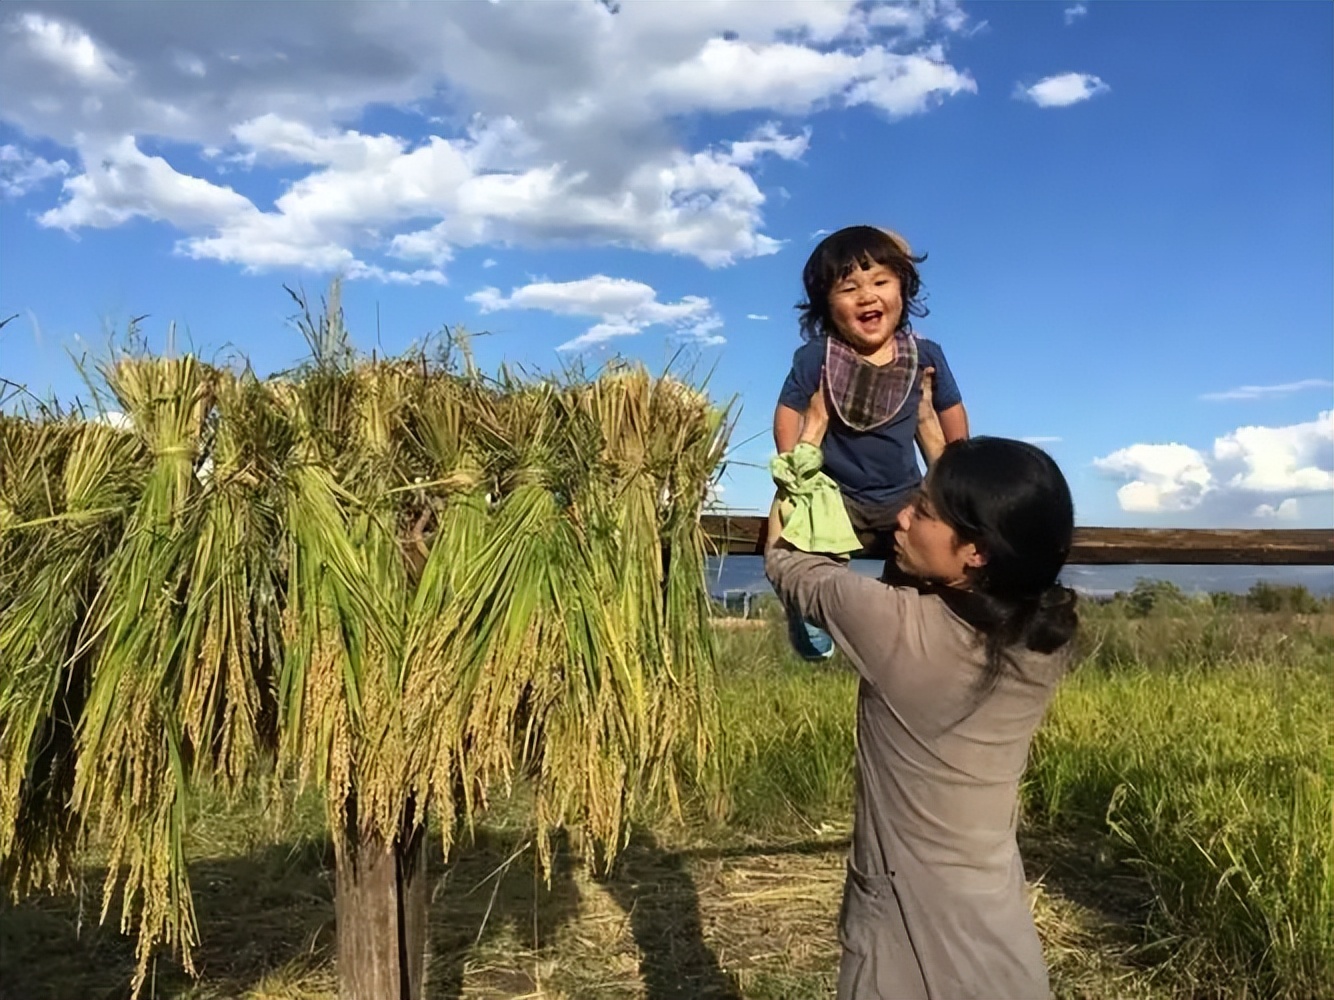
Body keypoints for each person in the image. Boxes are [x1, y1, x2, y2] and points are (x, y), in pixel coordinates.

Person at [764, 382, 1077, 1000]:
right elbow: (973, 556)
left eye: (924, 510)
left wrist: (809, 440)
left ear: (978, 552)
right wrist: (937, 436)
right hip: (996, 933)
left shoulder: (895, 629)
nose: (903, 515)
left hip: (905, 929)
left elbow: (786, 559)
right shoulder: (1046, 635)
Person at [774, 225, 969, 660]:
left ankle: (906, 621)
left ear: (903, 290)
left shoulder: (925, 355)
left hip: (904, 493)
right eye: (849, 288)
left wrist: (960, 466)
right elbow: (787, 411)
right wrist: (793, 468)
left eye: (881, 282)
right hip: (839, 494)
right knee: (804, 527)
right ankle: (809, 608)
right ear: (827, 305)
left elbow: (950, 411)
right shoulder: (818, 357)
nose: (868, 296)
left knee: (924, 558)